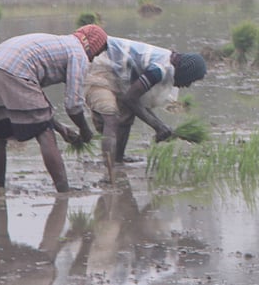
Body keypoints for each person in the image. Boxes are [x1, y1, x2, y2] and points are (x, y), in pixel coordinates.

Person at [0, 24, 107, 193]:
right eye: (97, 53)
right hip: (16, 69)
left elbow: (36, 101)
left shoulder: (63, 43)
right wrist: (85, 130)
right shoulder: (78, 54)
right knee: (45, 133)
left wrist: (62, 129)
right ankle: (64, 191)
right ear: (93, 46)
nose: (93, 59)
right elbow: (73, 105)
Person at [85, 36, 208, 182]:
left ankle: (118, 159)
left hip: (119, 70)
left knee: (127, 115)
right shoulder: (160, 69)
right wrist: (158, 126)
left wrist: (161, 126)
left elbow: (137, 101)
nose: (187, 85)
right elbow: (130, 98)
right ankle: (109, 169)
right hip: (102, 66)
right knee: (111, 117)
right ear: (185, 72)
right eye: (190, 80)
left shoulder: (167, 64)